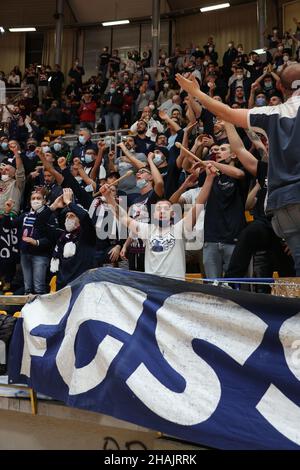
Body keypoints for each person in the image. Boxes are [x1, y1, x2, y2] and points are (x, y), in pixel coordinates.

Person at [175, 64, 300, 275]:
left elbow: (229, 114)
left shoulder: (272, 113)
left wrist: (195, 92)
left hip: (283, 204)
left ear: (279, 85)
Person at [101, 164, 217, 280]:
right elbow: (123, 217)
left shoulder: (180, 228)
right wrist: (109, 198)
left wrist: (210, 177)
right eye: (158, 209)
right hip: (153, 287)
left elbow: (199, 203)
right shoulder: (147, 230)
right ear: (153, 214)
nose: (162, 211)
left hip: (174, 287)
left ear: (172, 213)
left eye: (166, 208)